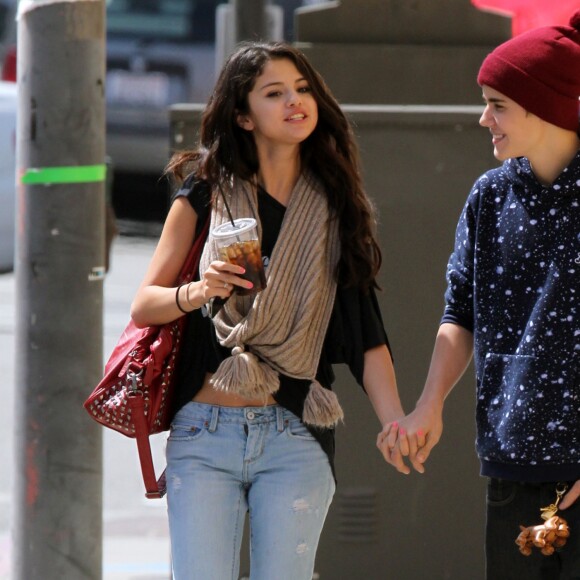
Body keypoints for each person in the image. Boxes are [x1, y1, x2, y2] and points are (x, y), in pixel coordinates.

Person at [130, 41, 405, 580]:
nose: (295, 102)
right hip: (205, 434)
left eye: (302, 90)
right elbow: (145, 305)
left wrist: (395, 421)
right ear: (243, 115)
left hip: (294, 434)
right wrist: (201, 289)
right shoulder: (205, 196)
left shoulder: (333, 209)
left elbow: (365, 333)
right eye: (274, 93)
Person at [380, 10, 580, 580]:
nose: (482, 117)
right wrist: (429, 404)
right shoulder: (489, 197)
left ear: (543, 106)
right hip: (512, 466)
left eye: (498, 104)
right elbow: (459, 311)